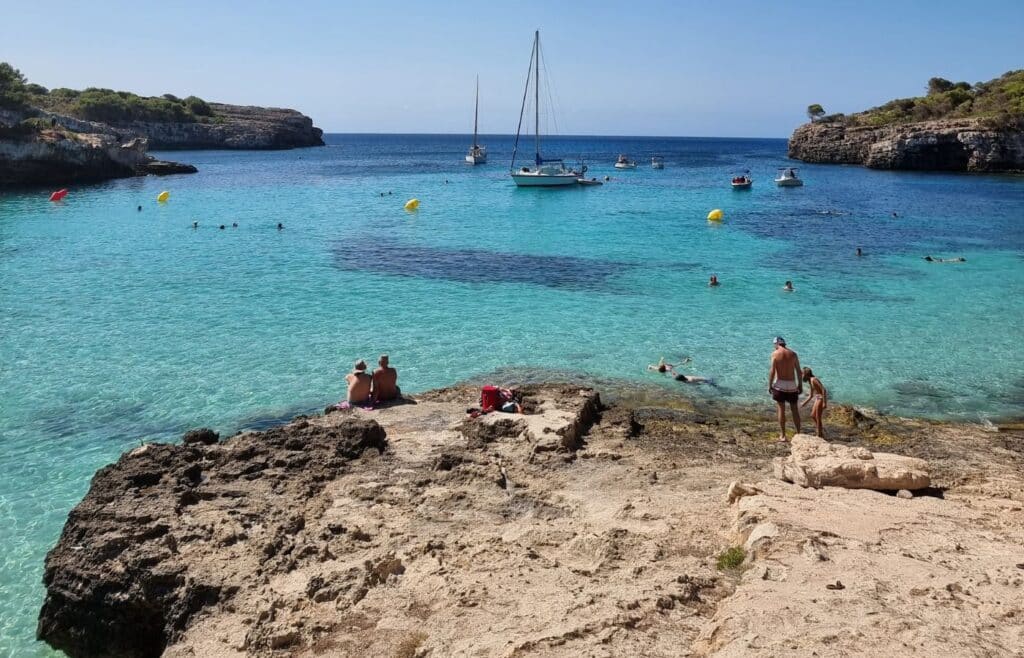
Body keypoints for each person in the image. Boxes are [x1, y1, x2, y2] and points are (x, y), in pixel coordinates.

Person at [768, 336, 802, 442]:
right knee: (794, 410)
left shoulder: (775, 354)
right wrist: (800, 385)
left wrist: (769, 385)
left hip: (780, 384)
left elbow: (772, 371)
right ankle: (798, 434)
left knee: (781, 410)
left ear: (776, 344)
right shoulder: (793, 354)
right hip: (792, 384)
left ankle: (783, 435)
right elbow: (798, 371)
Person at [801, 367, 828, 438]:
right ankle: (820, 429)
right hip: (817, 398)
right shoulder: (810, 381)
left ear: (806, 374)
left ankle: (819, 434)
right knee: (813, 415)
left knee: (818, 417)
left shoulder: (814, 380)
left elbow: (824, 390)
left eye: (802, 374)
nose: (801, 376)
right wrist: (804, 403)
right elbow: (811, 395)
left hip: (821, 398)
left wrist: (825, 403)